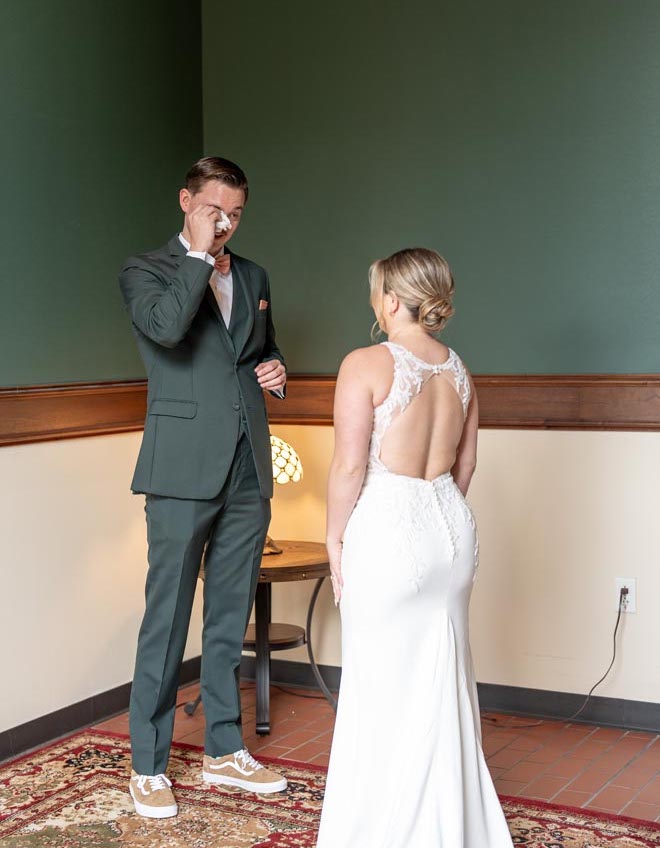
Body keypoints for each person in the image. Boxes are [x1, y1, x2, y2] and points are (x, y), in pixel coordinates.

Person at [317, 248, 513, 847]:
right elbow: (467, 462)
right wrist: (438, 516)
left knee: (379, 684)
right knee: (443, 676)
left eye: (376, 290)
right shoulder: (459, 368)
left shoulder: (365, 363)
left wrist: (333, 537)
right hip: (449, 528)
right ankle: (450, 827)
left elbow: (351, 466)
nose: (373, 300)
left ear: (394, 300)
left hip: (389, 527)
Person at [119, 157, 288, 819]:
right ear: (186, 200)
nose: (226, 223)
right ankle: (147, 764)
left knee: (227, 616)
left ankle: (223, 749)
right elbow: (165, 329)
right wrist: (196, 254)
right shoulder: (146, 271)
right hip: (182, 468)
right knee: (165, 619)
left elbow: (257, 353)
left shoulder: (253, 275)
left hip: (248, 464)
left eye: (236, 213)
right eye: (215, 209)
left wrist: (276, 371)